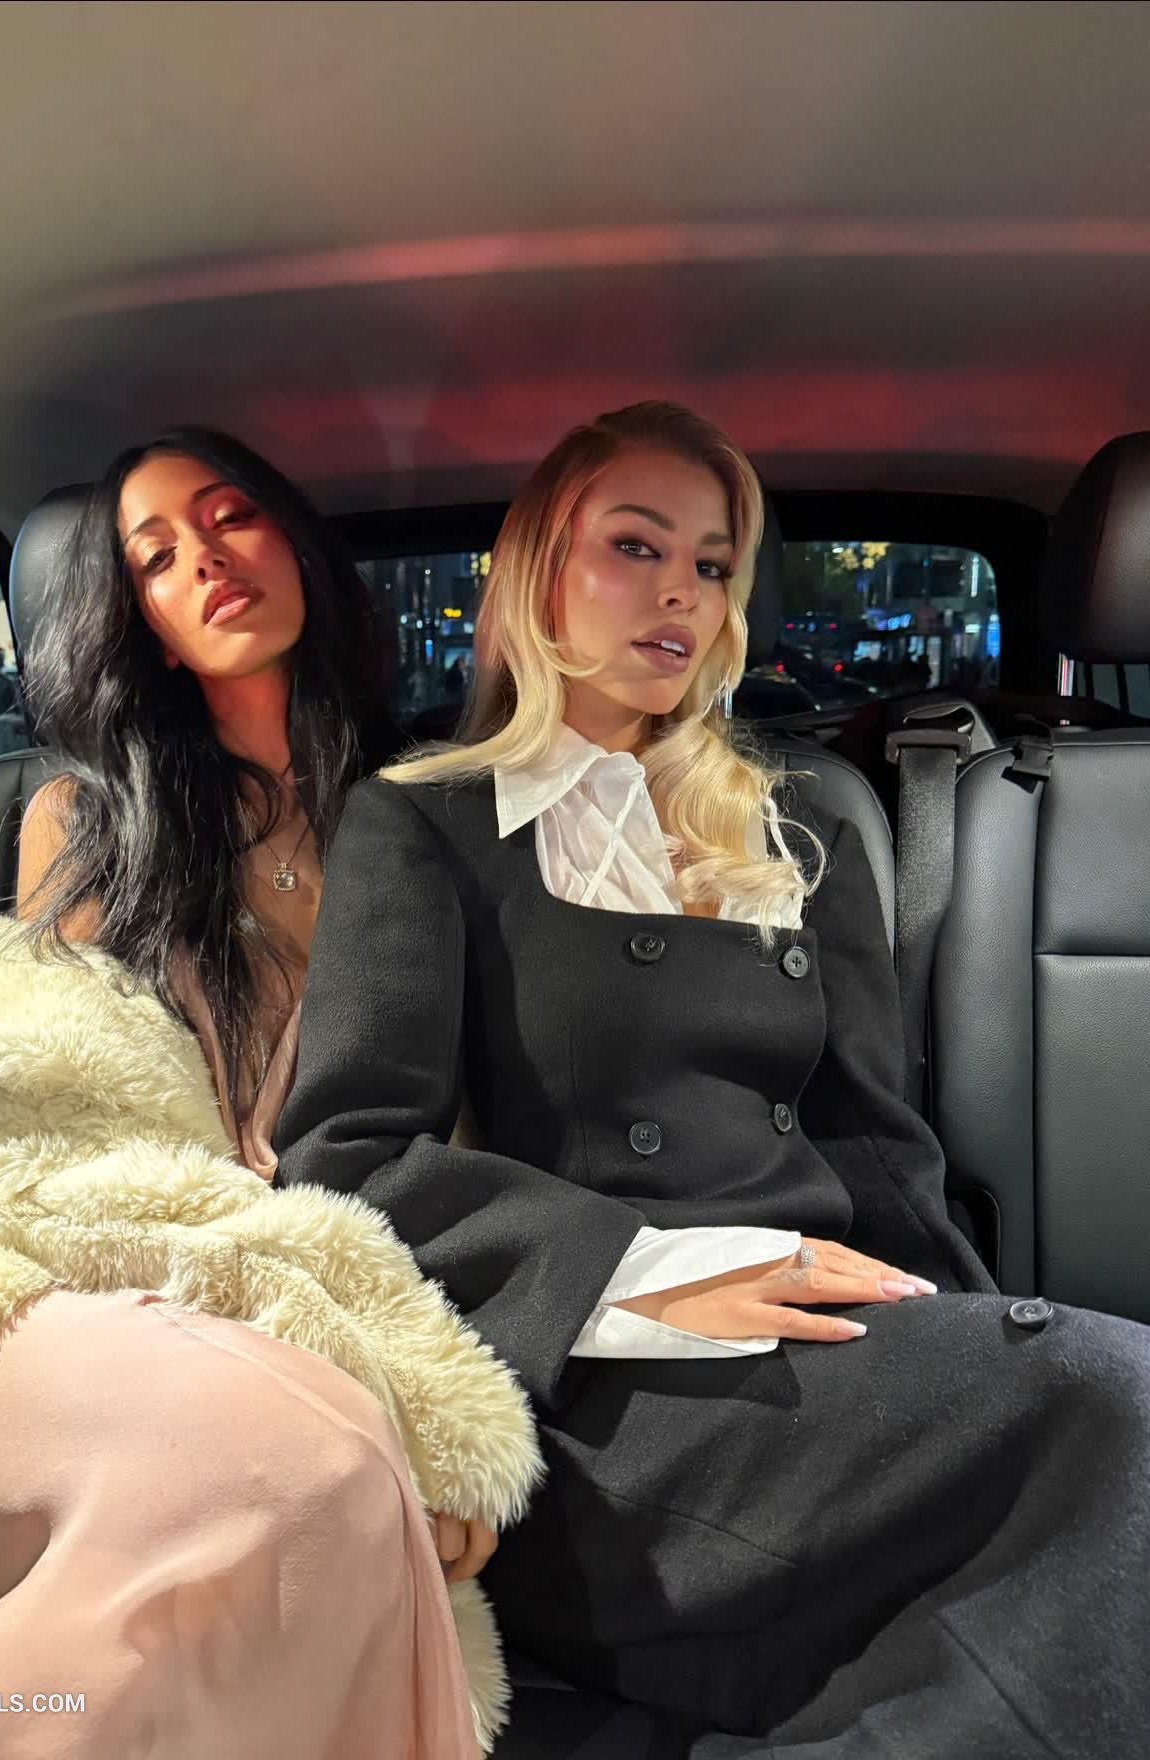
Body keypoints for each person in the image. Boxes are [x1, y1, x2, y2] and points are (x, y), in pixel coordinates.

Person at [276, 400, 1150, 1759]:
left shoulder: (798, 824)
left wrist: (979, 1335)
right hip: (616, 1391)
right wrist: (641, 1274)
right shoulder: (425, 820)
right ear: (540, 570)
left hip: (835, 1339)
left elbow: (875, 1145)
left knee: (1090, 1413)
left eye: (713, 563)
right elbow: (348, 1159)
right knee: (1115, 1405)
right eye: (636, 546)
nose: (681, 590)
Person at [0, 428, 539, 1760]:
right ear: (144, 625)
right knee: (290, 1461)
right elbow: (55, 1119)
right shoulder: (85, 818)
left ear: (297, 546)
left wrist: (398, 1345)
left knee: (295, 1485)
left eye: (230, 518)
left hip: (321, 1280)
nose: (205, 561)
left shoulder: (434, 811)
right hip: (85, 1271)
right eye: (157, 556)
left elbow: (462, 1132)